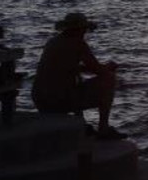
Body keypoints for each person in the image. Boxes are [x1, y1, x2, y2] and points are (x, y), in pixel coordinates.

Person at [32, 12, 126, 140]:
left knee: (74, 82)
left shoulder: (53, 42)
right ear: (79, 29)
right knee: (109, 79)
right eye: (84, 29)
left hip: (41, 100)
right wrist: (109, 66)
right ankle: (103, 129)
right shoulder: (78, 44)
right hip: (57, 100)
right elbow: (99, 71)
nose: (85, 33)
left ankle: (81, 125)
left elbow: (67, 68)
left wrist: (87, 68)